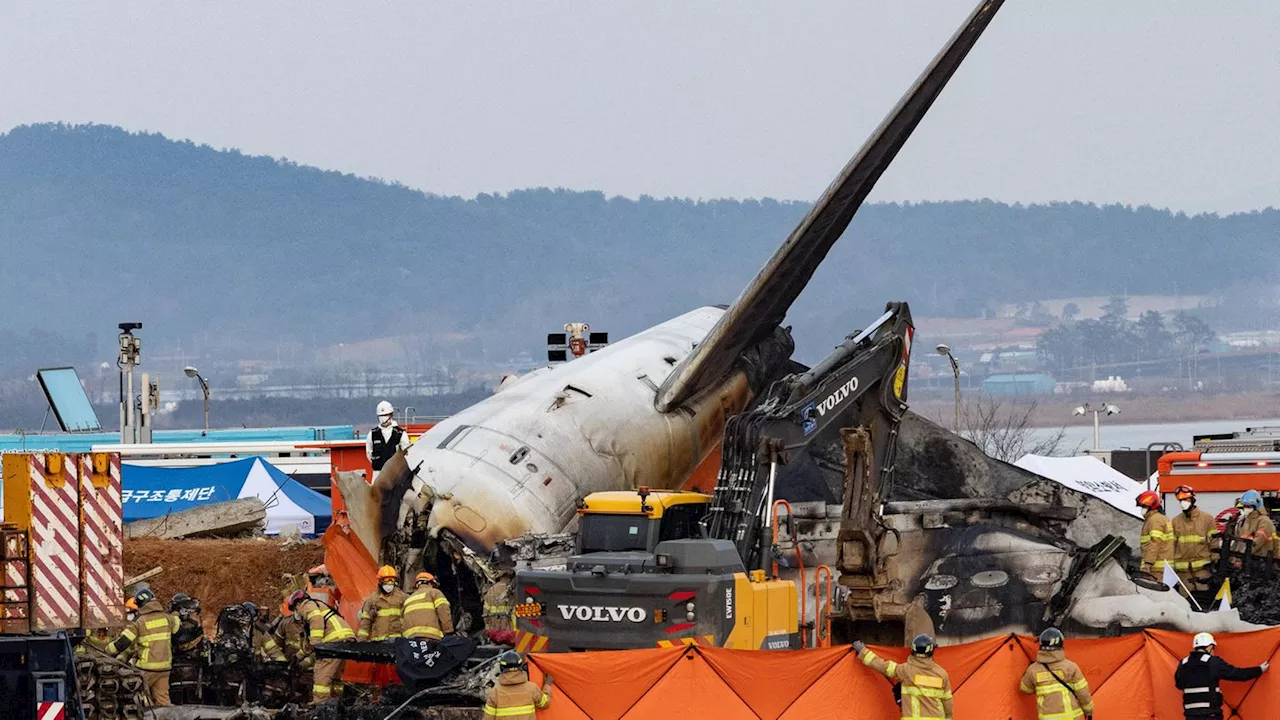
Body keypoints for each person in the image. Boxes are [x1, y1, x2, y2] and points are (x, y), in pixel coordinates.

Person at [106, 589, 180, 706]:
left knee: (143, 700)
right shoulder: (167, 618)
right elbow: (176, 627)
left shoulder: (139, 622)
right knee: (163, 700)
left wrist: (108, 650)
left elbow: (123, 643)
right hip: (165, 668)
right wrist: (175, 614)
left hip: (146, 670)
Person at [854, 634, 954, 720]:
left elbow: (883, 667)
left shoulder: (905, 670)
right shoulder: (941, 674)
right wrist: (949, 718)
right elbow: (947, 702)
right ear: (931, 651)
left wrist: (863, 652)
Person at [1174, 632, 1267, 719]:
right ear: (1209, 647)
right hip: (1210, 714)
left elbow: (1179, 685)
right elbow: (1237, 674)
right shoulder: (1212, 662)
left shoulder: (1183, 663)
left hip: (1190, 715)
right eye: (1213, 648)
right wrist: (1259, 669)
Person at [289, 589, 356, 703]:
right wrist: (299, 656)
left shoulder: (307, 605)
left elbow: (316, 622)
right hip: (345, 640)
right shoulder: (317, 606)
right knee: (335, 677)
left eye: (295, 609)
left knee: (321, 675)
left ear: (298, 603)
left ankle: (320, 706)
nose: (296, 612)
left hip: (332, 644)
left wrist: (317, 645)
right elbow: (309, 642)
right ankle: (336, 702)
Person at [1018, 628, 1094, 720]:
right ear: (1060, 644)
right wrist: (1088, 711)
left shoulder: (1033, 669)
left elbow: (1025, 689)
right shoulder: (1070, 667)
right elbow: (1083, 693)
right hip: (1071, 717)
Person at [1172, 485, 1216, 594]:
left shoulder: (1207, 519)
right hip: (1183, 571)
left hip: (1202, 569)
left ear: (1192, 499)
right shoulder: (1175, 521)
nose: (1183, 502)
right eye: (1181, 500)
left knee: (1204, 598)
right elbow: (1171, 545)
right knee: (1186, 601)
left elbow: (1214, 542)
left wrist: (1215, 560)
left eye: (1185, 499)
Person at [483, 650, 552, 720]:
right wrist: (547, 685)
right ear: (520, 667)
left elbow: (488, 718)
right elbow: (545, 703)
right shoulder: (532, 688)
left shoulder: (494, 692)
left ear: (501, 668)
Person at [358, 566, 408, 641]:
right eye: (386, 580)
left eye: (392, 580)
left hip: (397, 642)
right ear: (380, 581)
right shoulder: (372, 599)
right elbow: (365, 623)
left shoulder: (402, 598)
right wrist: (361, 642)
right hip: (378, 643)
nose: (389, 583)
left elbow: (409, 619)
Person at [402, 572, 454, 640]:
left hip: (410, 639)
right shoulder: (435, 592)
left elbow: (401, 620)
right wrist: (448, 632)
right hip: (431, 637)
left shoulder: (408, 599)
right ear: (430, 583)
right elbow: (444, 611)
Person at [1137, 490, 1175, 575]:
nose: (1142, 509)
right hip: (1162, 567)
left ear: (1151, 507)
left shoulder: (1155, 520)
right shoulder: (1161, 518)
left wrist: (1148, 562)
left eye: (1143, 507)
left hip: (1155, 568)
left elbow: (1155, 542)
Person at [366, 400, 410, 472]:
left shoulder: (401, 434)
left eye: (386, 415)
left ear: (391, 415)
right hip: (378, 473)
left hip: (395, 473)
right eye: (381, 416)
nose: (383, 418)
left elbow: (406, 454)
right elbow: (369, 453)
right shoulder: (372, 434)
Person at [1232, 490, 1274, 558]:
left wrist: (1241, 558)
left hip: (1259, 560)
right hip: (1244, 560)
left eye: (1249, 507)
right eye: (1244, 506)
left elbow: (1257, 542)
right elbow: (1237, 542)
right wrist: (1232, 558)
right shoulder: (1243, 520)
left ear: (1256, 507)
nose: (1246, 508)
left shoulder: (1264, 521)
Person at [482, 568, 516, 645]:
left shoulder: (491, 591)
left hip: (494, 633)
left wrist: (488, 631)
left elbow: (485, 614)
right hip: (511, 634)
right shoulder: (513, 591)